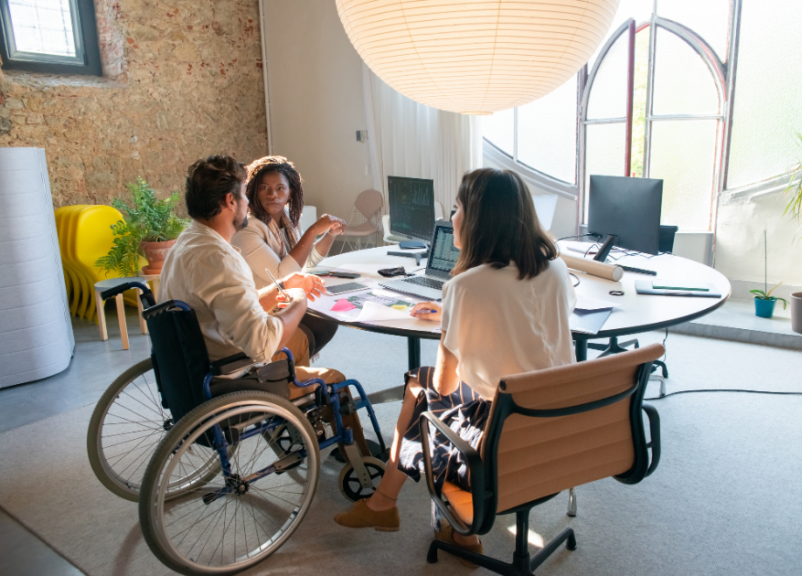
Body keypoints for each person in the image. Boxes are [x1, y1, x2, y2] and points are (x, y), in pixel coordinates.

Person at [332, 168, 577, 564]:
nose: (451, 218)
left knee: (423, 388)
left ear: (479, 219)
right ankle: (402, 510)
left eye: (457, 208)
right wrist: (458, 317)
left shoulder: (465, 287)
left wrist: (455, 318)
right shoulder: (557, 269)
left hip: (502, 432)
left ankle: (388, 504)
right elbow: (531, 326)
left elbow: (445, 385)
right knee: (421, 385)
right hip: (559, 420)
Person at [158, 154, 340, 393]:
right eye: (245, 194)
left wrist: (282, 287)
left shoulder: (188, 241)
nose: (248, 202)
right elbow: (262, 345)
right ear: (230, 201)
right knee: (336, 379)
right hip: (234, 378)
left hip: (193, 369)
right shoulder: (220, 258)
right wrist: (299, 299)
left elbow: (232, 303)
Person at [232, 155, 345, 359]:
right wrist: (313, 231)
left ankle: (293, 368)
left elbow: (306, 261)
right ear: (254, 190)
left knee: (329, 313)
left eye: (280, 188)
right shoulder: (248, 229)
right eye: (264, 188)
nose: (272, 194)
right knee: (319, 319)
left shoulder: (287, 221)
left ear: (290, 192)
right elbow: (283, 275)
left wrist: (329, 234)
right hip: (261, 311)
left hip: (283, 301)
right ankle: (286, 369)